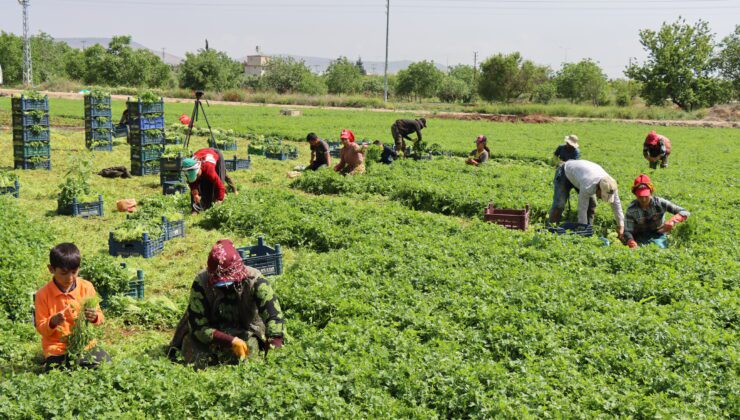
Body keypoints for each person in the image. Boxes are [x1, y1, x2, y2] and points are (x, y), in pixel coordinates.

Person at [168, 239, 285, 369]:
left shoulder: (256, 281)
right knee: (192, 353)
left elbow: (274, 318)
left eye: (229, 282)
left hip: (246, 329)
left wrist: (274, 357)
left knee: (249, 353)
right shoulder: (202, 282)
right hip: (211, 332)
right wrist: (230, 341)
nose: (225, 286)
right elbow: (198, 327)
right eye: (219, 283)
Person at [34, 243, 110, 372]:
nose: (69, 278)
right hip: (57, 347)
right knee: (56, 371)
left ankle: (79, 363)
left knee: (104, 364)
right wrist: (52, 322)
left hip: (85, 345)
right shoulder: (43, 295)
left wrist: (95, 317)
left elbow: (101, 319)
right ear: (51, 269)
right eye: (63, 273)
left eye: (74, 272)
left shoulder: (86, 287)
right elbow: (41, 328)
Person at [549, 159, 625, 237]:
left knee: (592, 205)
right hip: (565, 172)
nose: (601, 198)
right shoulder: (588, 185)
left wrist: (621, 226)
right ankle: (550, 230)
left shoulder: (611, 186)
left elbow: (617, 207)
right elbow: (582, 208)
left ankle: (588, 230)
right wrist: (582, 228)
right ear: (598, 187)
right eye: (601, 195)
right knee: (559, 204)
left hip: (581, 174)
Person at [623, 174, 689, 249]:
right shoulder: (631, 209)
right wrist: (630, 241)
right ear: (635, 194)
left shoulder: (660, 203)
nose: (644, 199)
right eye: (640, 196)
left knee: (659, 248)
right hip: (639, 235)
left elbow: (685, 212)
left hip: (658, 233)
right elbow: (627, 231)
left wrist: (672, 221)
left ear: (651, 192)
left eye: (646, 196)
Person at [182, 148, 238, 214]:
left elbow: (220, 185)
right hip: (202, 153)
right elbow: (192, 183)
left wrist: (219, 200)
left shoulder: (209, 169)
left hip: (216, 154)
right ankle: (195, 210)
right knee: (201, 182)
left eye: (197, 175)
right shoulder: (189, 168)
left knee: (221, 175)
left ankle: (234, 190)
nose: (197, 177)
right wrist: (195, 194)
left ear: (199, 168)